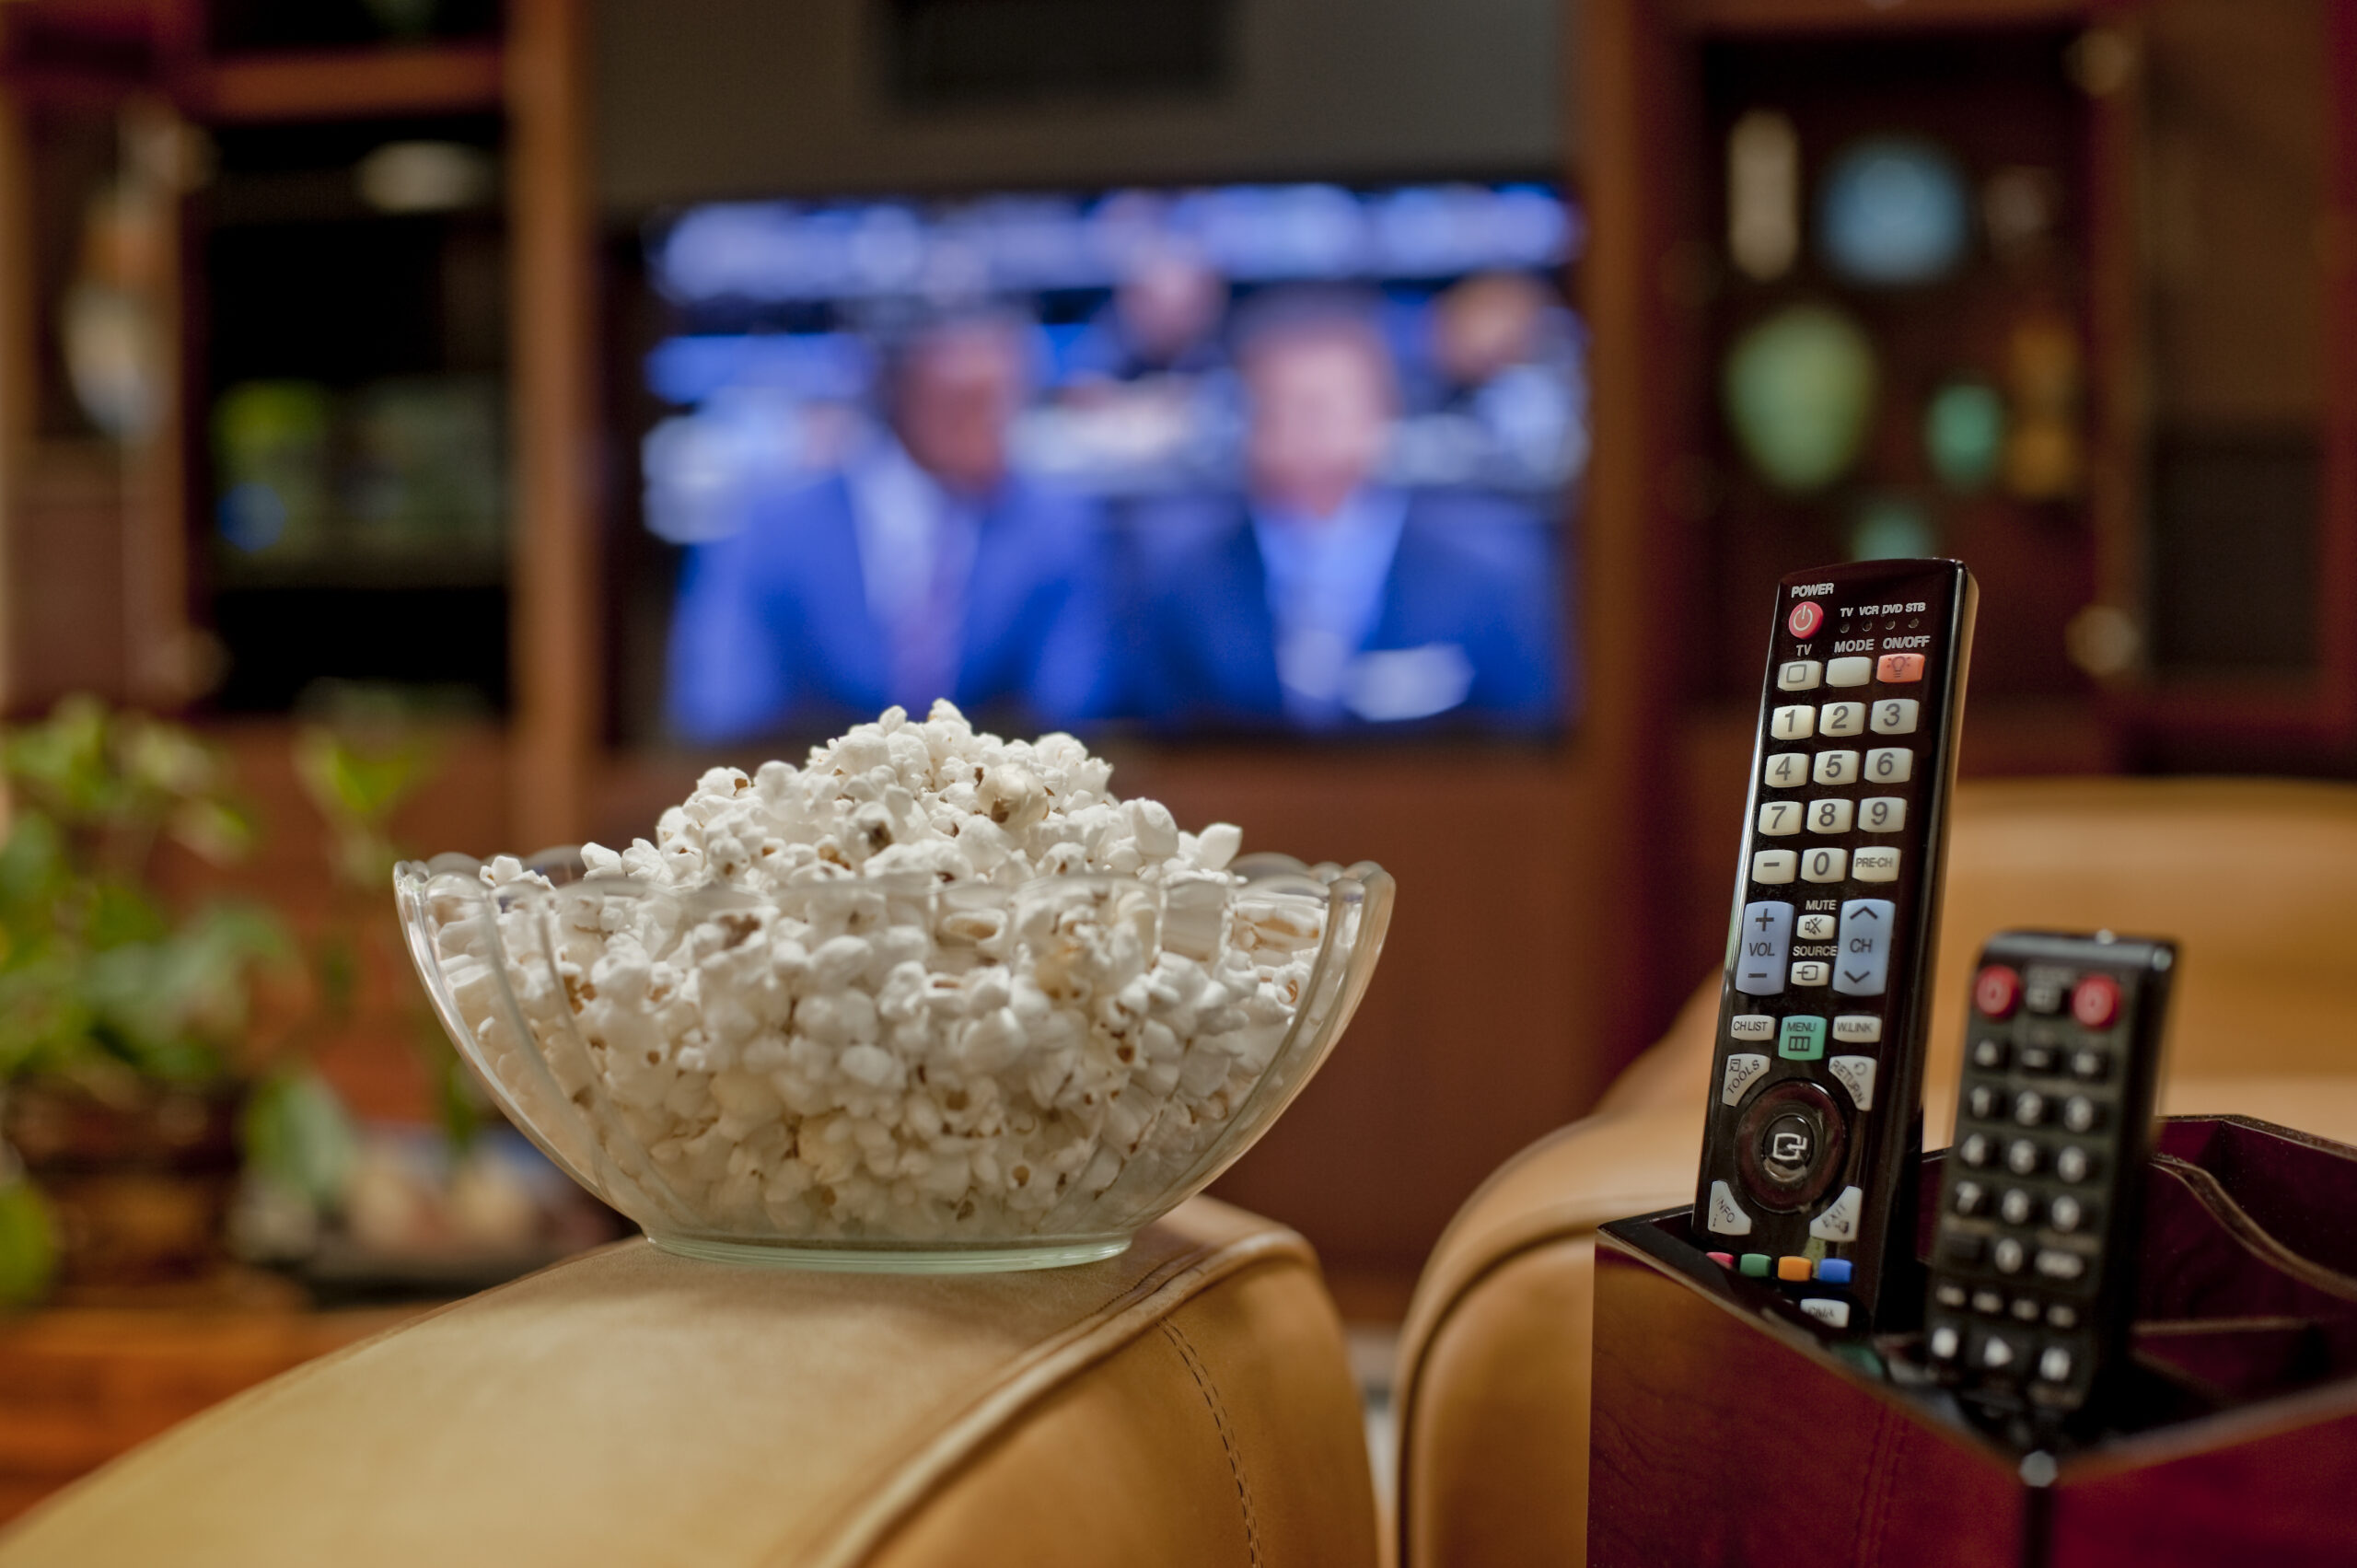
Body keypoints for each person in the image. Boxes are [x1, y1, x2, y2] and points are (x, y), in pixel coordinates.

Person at [665, 311, 1109, 741]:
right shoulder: (773, 525)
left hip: (993, 781)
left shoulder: (1056, 523)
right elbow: (721, 707)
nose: (994, 429)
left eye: (1007, 403)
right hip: (817, 779)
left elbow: (1076, 705)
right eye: (965, 406)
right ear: (898, 395)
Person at [1132, 290, 1565, 732]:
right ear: (1245, 421)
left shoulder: (1484, 575)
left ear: (1384, 410)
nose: (1305, 431)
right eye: (1281, 406)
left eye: (1324, 407)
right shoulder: (1183, 579)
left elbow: (1529, 743)